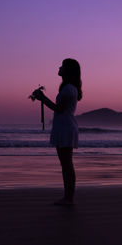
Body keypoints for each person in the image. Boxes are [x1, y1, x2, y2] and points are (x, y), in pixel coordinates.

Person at [31, 58, 82, 205]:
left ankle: (69, 198)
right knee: (66, 164)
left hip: (65, 128)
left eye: (62, 66)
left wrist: (42, 98)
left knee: (66, 164)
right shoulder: (69, 88)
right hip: (64, 127)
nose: (59, 67)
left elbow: (59, 109)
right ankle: (68, 197)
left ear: (68, 71)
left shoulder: (68, 89)